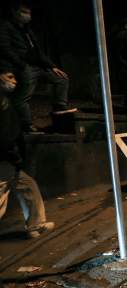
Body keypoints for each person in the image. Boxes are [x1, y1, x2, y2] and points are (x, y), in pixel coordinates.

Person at [0, 1, 76, 132]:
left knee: (62, 78)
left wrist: (52, 66)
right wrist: (21, 65)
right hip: (23, 67)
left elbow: (38, 51)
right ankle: (27, 124)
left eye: (28, 13)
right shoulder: (5, 27)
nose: (27, 15)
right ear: (14, 12)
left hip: (37, 66)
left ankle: (59, 108)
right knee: (23, 97)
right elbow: (5, 48)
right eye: (24, 12)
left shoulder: (27, 30)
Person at [0, 69, 54, 238]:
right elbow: (4, 134)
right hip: (5, 158)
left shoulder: (5, 101)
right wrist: (13, 154)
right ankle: (35, 224)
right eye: (9, 77)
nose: (14, 81)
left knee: (28, 186)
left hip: (9, 157)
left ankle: (35, 224)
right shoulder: (2, 103)